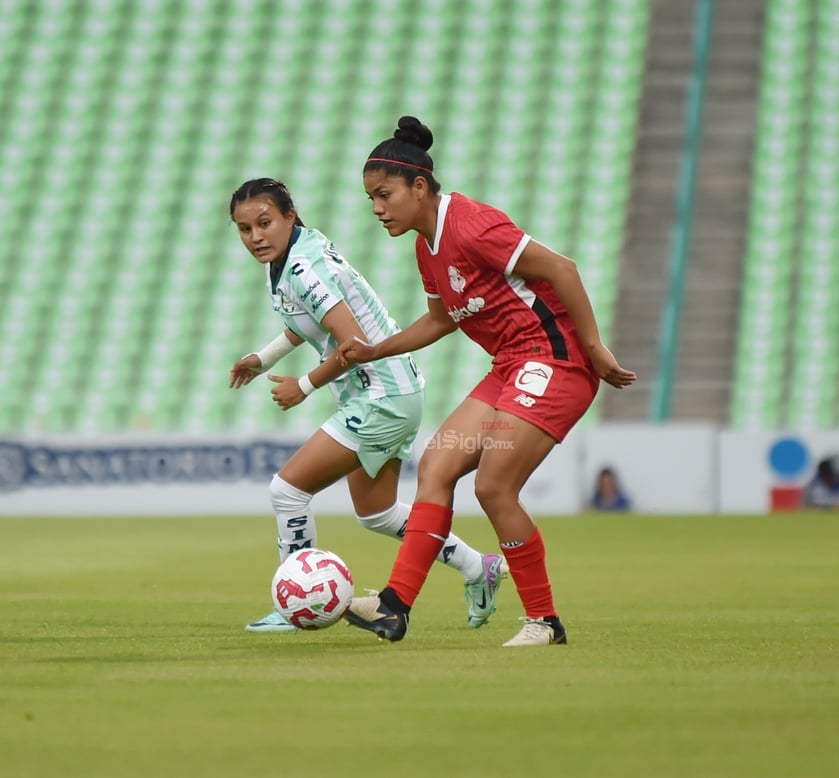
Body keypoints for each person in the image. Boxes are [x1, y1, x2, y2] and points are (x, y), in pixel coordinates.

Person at [338, 117, 636, 647]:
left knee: (494, 485)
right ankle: (394, 606)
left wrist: (594, 349)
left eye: (384, 195)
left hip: (556, 359)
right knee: (437, 465)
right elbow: (440, 319)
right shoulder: (426, 246)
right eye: (370, 199)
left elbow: (563, 269)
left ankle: (545, 622)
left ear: (419, 186)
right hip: (510, 366)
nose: (378, 208)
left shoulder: (472, 225)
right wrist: (374, 349)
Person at [228, 178, 508, 633]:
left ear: (289, 217)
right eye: (244, 229)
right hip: (391, 389)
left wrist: (303, 384)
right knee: (378, 513)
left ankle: (297, 600)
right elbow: (306, 322)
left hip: (383, 394)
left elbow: (351, 340)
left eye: (264, 223)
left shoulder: (303, 267)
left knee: (288, 490)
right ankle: (480, 568)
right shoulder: (288, 256)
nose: (255, 237)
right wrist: (263, 359)